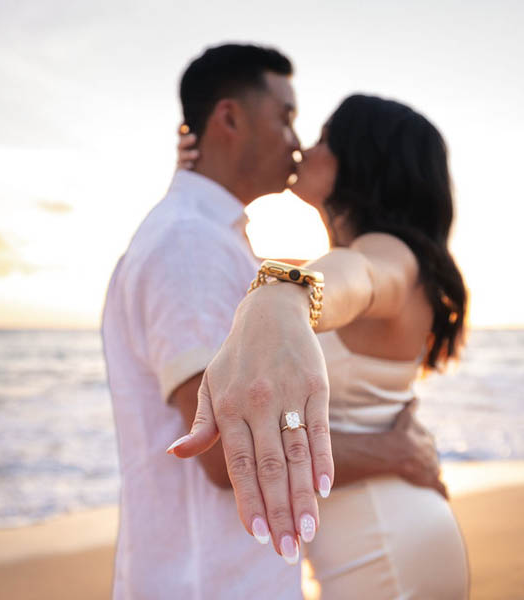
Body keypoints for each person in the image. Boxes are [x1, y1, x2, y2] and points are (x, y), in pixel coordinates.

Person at [101, 44, 449, 599]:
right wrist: (392, 453)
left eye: (310, 132)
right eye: (287, 118)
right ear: (230, 119)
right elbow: (218, 450)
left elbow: (354, 278)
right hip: (207, 581)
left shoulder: (209, 238)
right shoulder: (189, 242)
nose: (297, 144)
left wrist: (285, 293)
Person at [174, 94, 471, 597]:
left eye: (325, 140)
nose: (306, 150)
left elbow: (361, 277)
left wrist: (284, 299)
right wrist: (200, 180)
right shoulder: (368, 256)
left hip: (383, 551)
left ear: (363, 162)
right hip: (388, 536)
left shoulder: (388, 253)